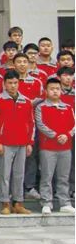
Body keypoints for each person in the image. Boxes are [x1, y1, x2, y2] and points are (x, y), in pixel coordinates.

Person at [0, 70, 35, 215]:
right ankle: (5, 203)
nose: (13, 86)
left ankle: (18, 203)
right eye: (10, 83)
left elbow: (31, 122)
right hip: (5, 143)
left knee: (19, 174)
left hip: (22, 143)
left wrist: (30, 142)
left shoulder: (26, 101)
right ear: (4, 84)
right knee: (5, 174)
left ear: (19, 83)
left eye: (15, 83)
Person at [34, 78, 76, 214]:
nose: (55, 91)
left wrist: (67, 135)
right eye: (52, 89)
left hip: (66, 147)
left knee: (64, 177)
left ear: (61, 91)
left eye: (57, 89)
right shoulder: (41, 107)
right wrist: (55, 135)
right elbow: (40, 124)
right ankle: (46, 202)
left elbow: (74, 124)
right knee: (47, 176)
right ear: (46, 91)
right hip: (48, 147)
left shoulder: (68, 107)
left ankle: (65, 203)